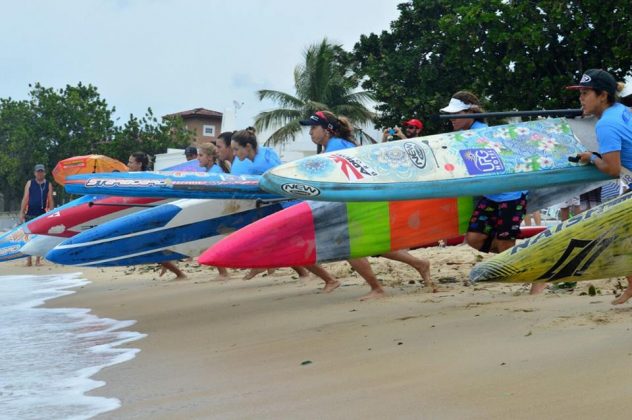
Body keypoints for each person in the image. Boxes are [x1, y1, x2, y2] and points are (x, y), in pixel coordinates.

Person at [300, 110, 434, 300]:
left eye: (313, 127)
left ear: (327, 130)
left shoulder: (335, 147)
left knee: (350, 248)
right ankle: (420, 264)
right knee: (371, 245)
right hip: (355, 201)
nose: (310, 132)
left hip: (352, 203)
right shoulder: (336, 145)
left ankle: (377, 288)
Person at [440, 91, 534, 288]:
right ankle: (511, 261)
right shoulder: (465, 135)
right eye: (450, 115)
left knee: (505, 240)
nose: (452, 119)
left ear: (470, 113)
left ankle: (516, 271)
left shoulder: (481, 133)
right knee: (474, 239)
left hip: (511, 193)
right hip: (491, 194)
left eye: (456, 114)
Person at [566, 69, 632, 305]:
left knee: (614, 236)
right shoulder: (622, 111)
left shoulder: (606, 125)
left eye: (585, 93)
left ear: (602, 95)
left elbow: (613, 169)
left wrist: (591, 158)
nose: (581, 98)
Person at [128, 152, 186, 280]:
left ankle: (179, 272)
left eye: (131, 162)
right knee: (153, 247)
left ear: (139, 164)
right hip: (141, 216)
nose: (128, 165)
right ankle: (173, 266)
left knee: (151, 247)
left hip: (147, 217)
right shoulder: (134, 177)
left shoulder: (145, 178)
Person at [20, 164, 55, 266]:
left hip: (42, 214)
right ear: (35, 173)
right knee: (28, 236)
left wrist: (52, 213)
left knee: (40, 237)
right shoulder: (30, 183)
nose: (40, 173)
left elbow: (51, 200)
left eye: (41, 171)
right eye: (38, 171)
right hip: (29, 213)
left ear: (44, 172)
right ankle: (29, 260)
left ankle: (38, 260)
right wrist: (22, 212)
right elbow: (25, 198)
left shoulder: (48, 184)